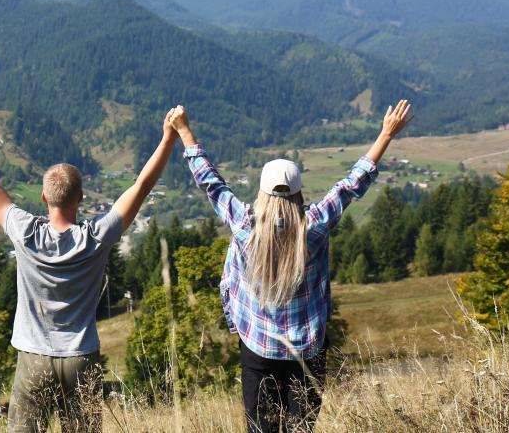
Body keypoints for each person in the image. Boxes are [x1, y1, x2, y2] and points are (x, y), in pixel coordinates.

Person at [169, 100, 414, 433]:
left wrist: (184, 131)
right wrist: (386, 134)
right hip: (306, 353)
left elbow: (211, 184)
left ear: (261, 194)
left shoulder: (245, 226)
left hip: (257, 349)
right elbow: (351, 185)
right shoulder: (312, 229)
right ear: (299, 195)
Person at [0, 92, 180, 433]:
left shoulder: (25, 233)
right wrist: (167, 138)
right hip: (81, 357)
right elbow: (142, 186)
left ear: (45, 197)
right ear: (81, 198)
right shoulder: (96, 238)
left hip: (33, 357)